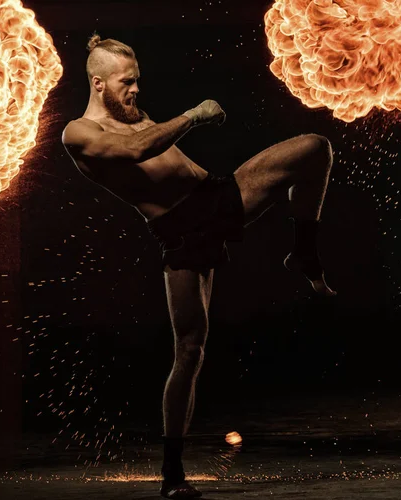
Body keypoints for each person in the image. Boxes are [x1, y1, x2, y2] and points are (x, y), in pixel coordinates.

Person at [62, 34, 336, 499]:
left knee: (314, 147)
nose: (135, 91)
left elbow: (152, 141)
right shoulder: (79, 133)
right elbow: (136, 153)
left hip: (219, 195)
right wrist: (193, 115)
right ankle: (172, 475)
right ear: (98, 83)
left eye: (138, 81)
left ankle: (304, 251)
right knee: (190, 351)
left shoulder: (135, 114)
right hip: (181, 230)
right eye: (127, 83)